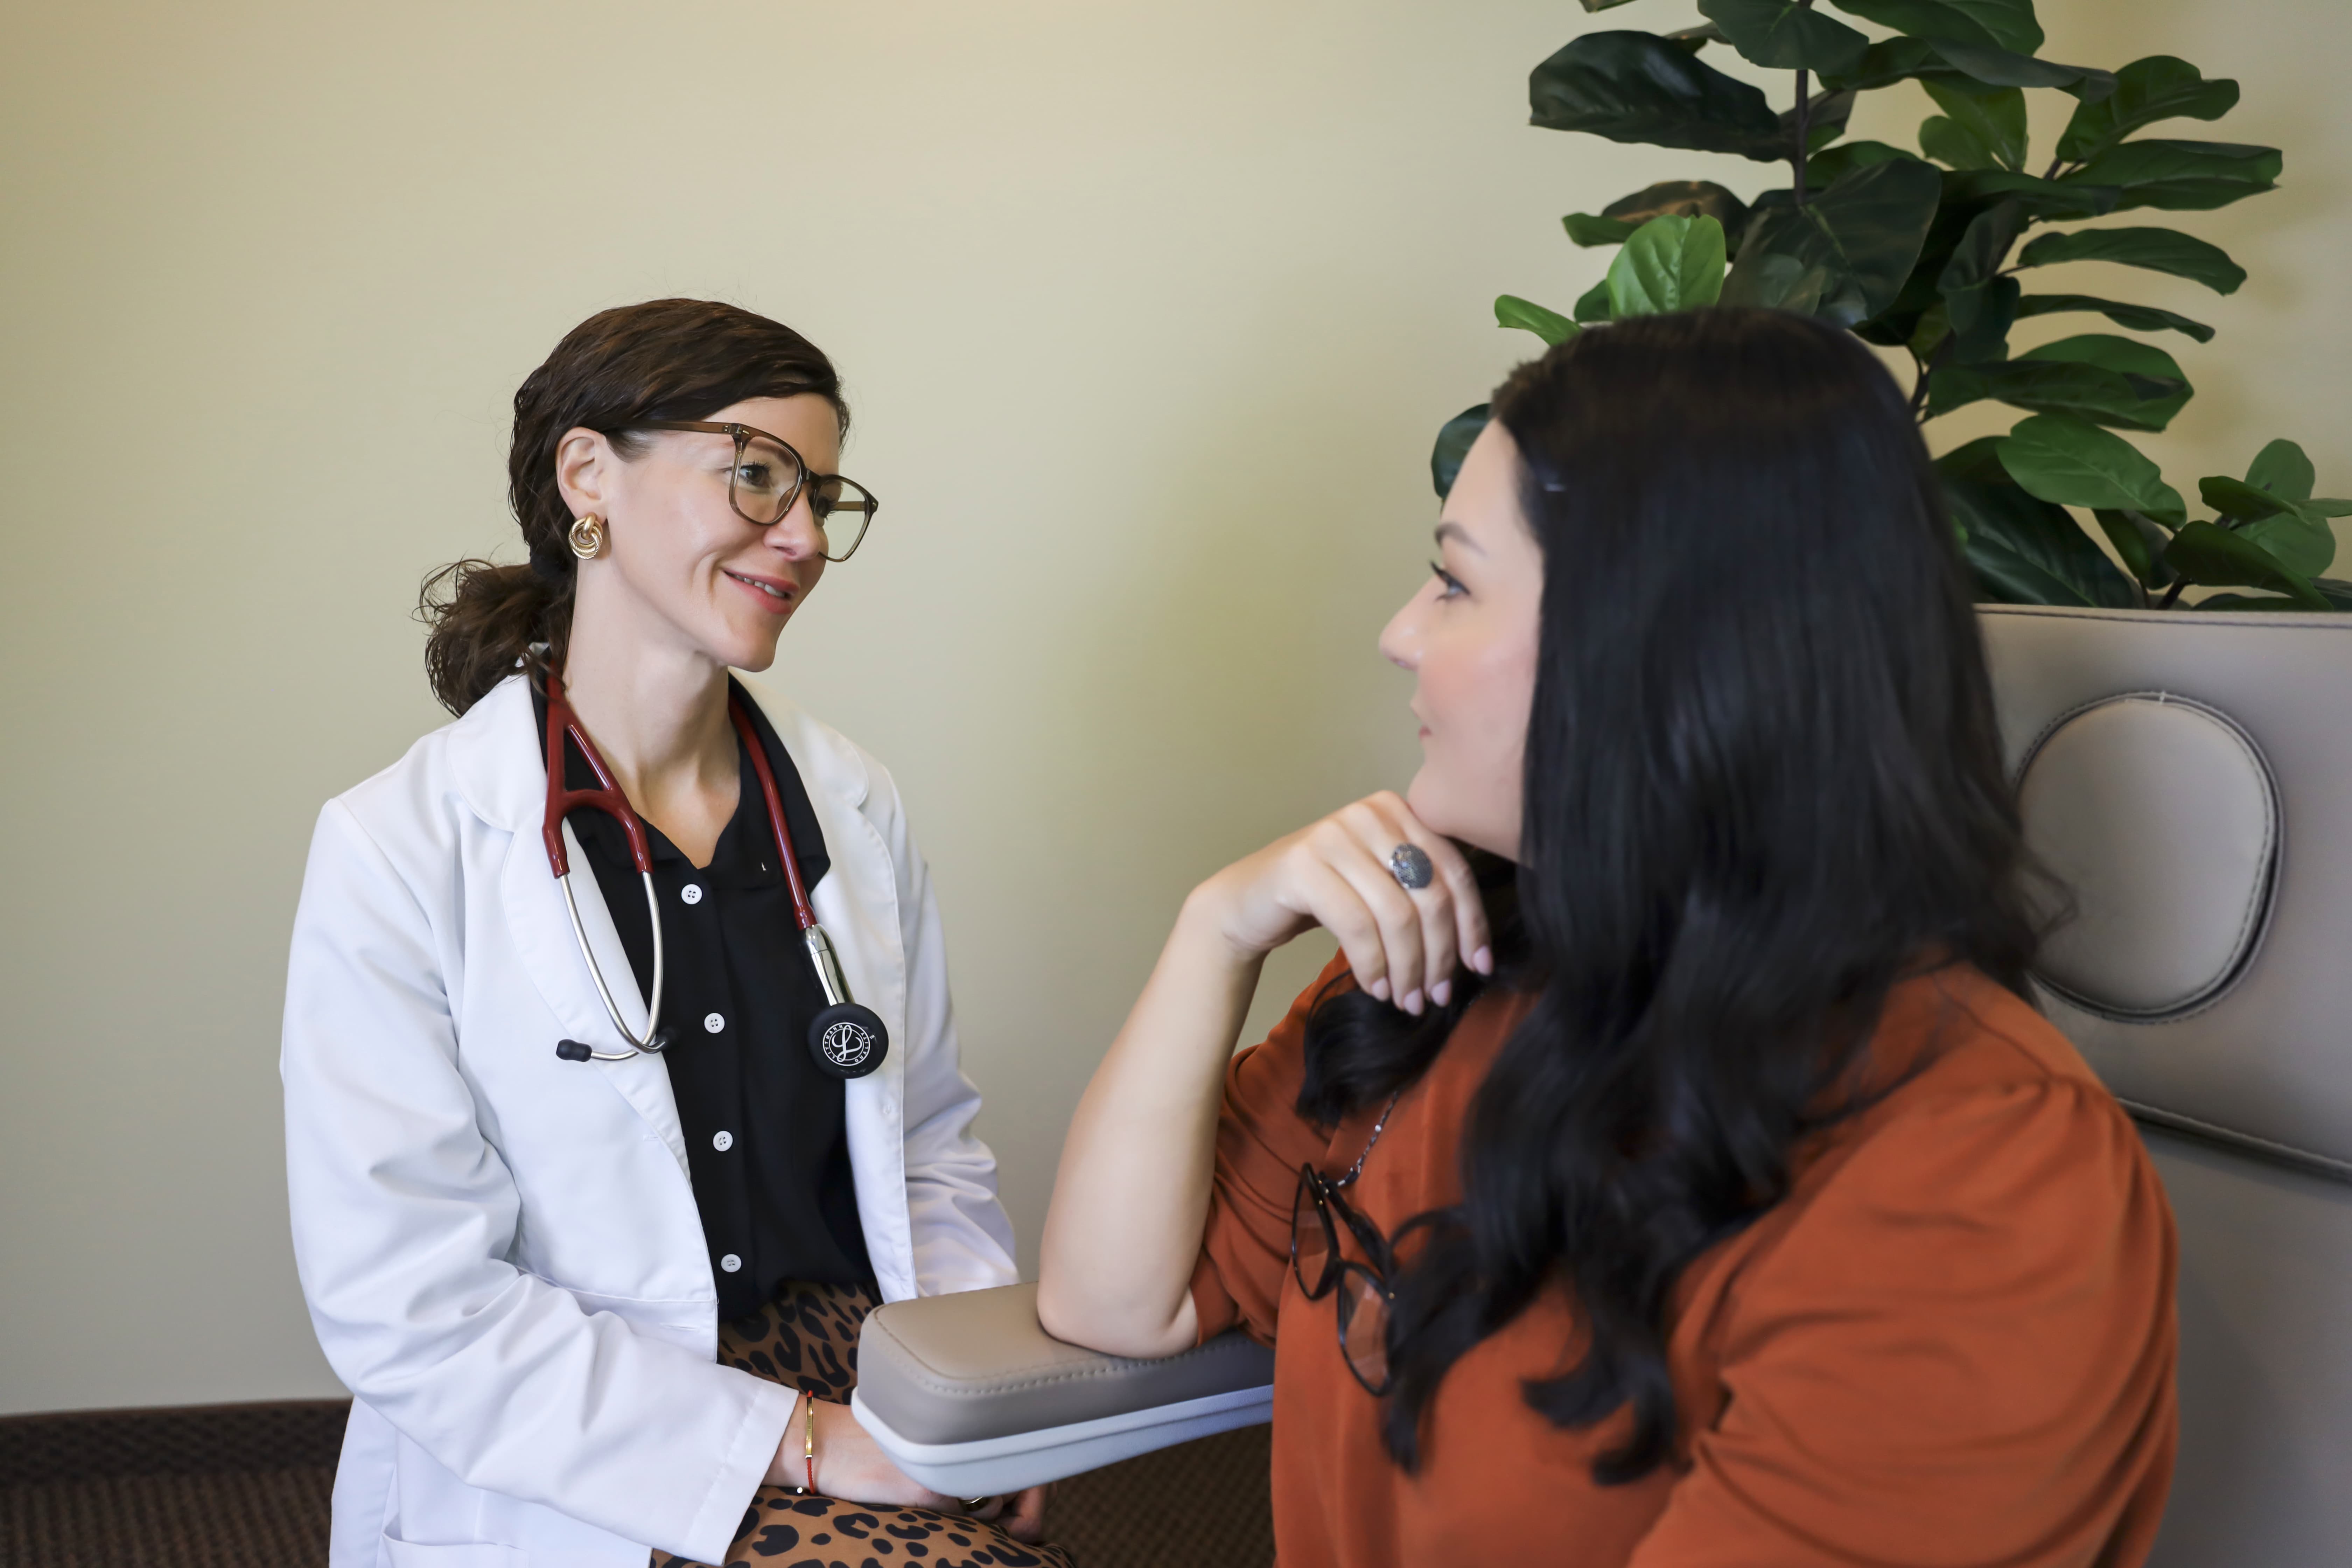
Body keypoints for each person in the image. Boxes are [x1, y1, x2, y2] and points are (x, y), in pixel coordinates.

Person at [1037, 308, 2178, 1566]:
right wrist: (1217, 931)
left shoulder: (1976, 1168)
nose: (1399, 632)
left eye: (1456, 581)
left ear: (1657, 650)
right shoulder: (1446, 963)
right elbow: (1112, 1302)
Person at [282, 299, 1061, 1568]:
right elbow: (412, 1305)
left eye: (821, 496)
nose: (801, 537)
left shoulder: (850, 804)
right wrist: (801, 1442)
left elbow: (928, 1151)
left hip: (873, 1383)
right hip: (607, 1430)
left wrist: (983, 1401)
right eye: (756, 477)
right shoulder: (405, 845)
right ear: (588, 475)